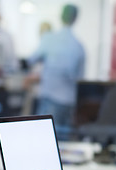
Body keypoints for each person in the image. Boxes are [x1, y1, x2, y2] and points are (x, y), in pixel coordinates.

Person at [26, 4, 85, 137]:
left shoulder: (50, 39)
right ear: (75, 19)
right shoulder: (79, 46)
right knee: (63, 143)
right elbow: (80, 76)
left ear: (60, 16)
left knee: (45, 139)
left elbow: (31, 60)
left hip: (50, 99)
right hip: (69, 101)